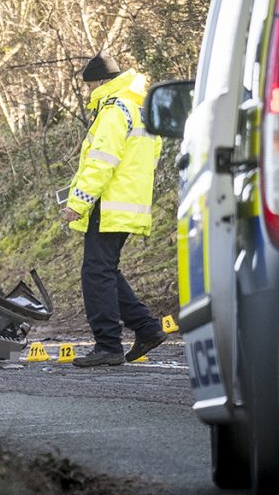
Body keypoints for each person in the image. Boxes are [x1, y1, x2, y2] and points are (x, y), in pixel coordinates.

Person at [61, 52, 167, 368]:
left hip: (107, 204)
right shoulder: (140, 109)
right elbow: (152, 156)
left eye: (91, 85)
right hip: (129, 204)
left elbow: (100, 164)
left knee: (96, 272)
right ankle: (147, 329)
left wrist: (77, 204)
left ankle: (107, 346)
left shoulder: (113, 111)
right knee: (105, 270)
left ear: (103, 82)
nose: (89, 92)